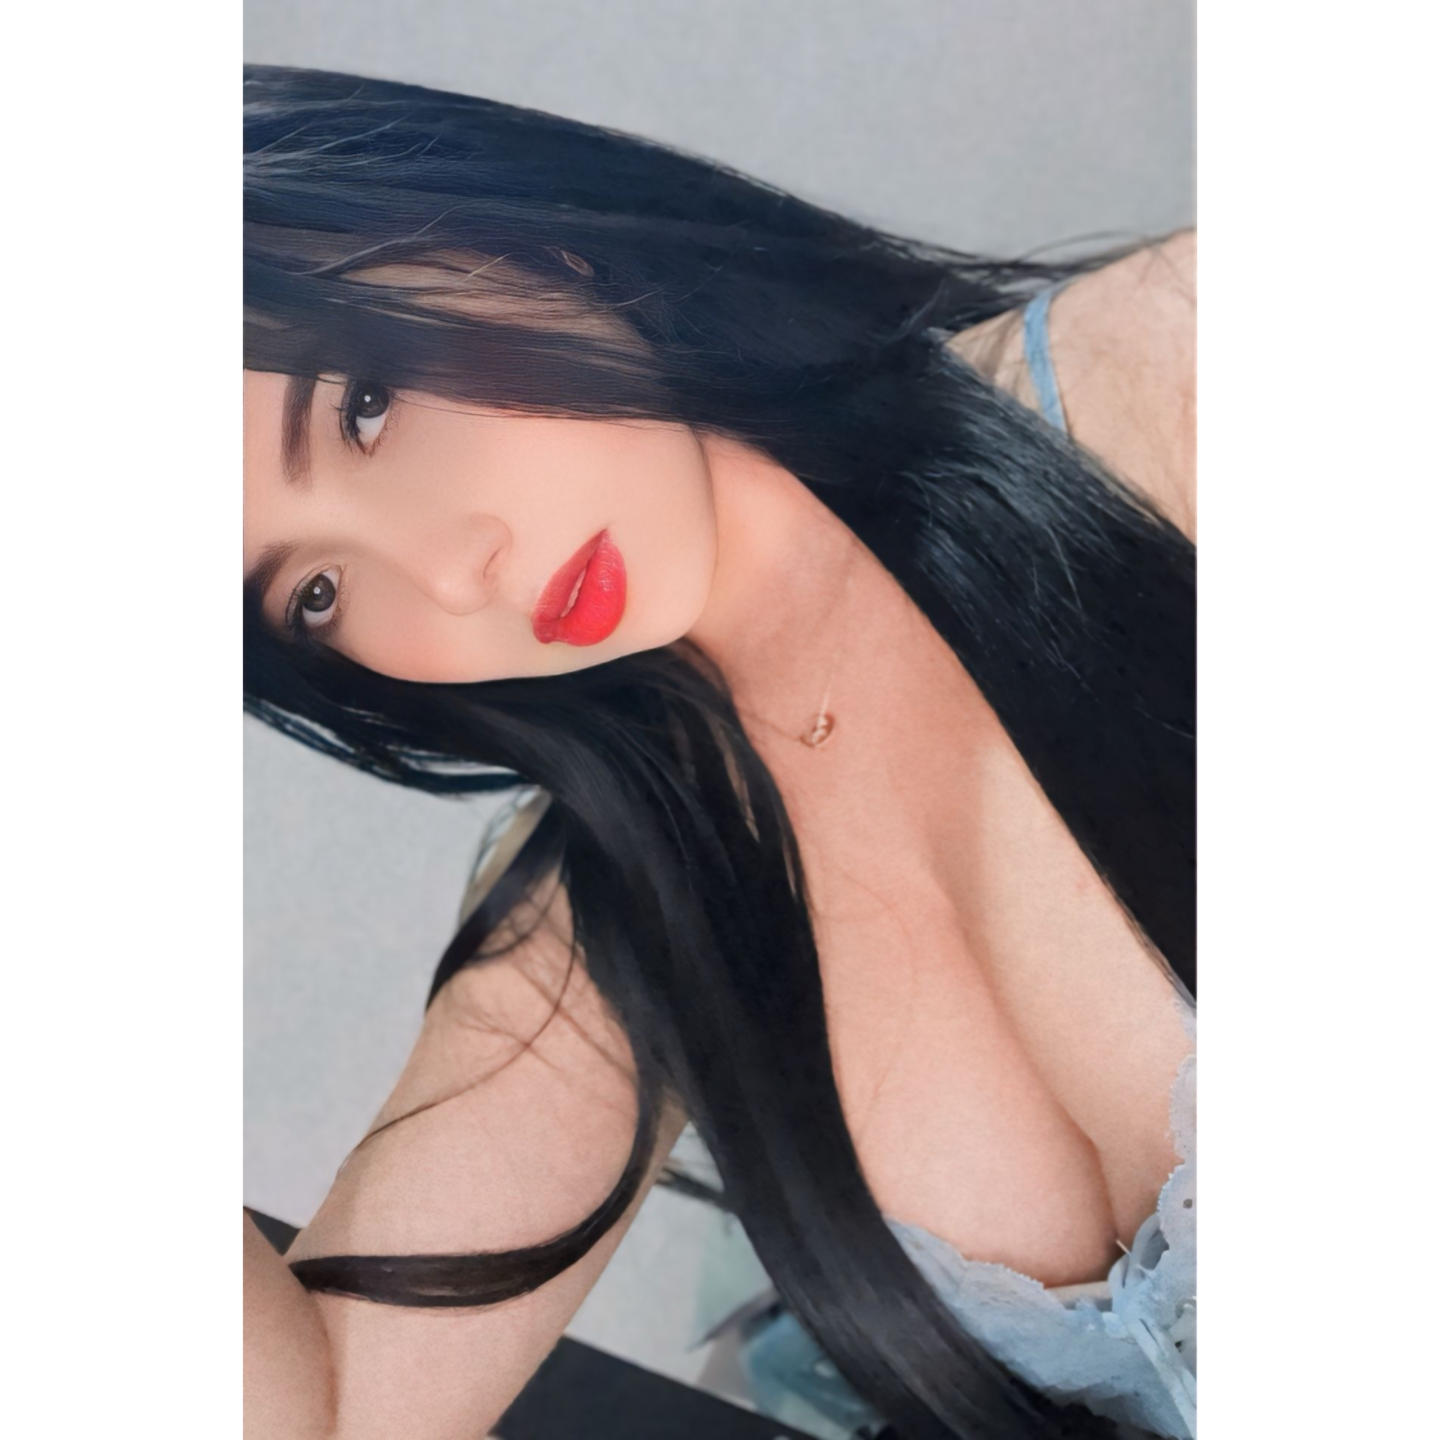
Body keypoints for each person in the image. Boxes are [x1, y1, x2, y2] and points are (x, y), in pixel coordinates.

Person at [242, 62, 1195, 1440]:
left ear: (505, 231)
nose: (451, 576)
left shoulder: (1170, 382)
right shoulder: (610, 909)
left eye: (367, 406)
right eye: (317, 591)